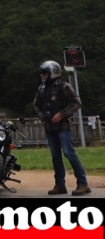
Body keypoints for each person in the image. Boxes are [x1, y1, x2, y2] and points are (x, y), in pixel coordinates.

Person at [33, 60, 90, 196]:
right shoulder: (41, 88)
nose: (42, 75)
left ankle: (83, 183)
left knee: (69, 153)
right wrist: (43, 116)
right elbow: (36, 105)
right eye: (41, 73)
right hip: (49, 127)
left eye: (45, 72)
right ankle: (60, 185)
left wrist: (61, 114)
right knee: (55, 156)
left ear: (53, 72)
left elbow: (77, 102)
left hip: (63, 127)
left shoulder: (64, 86)